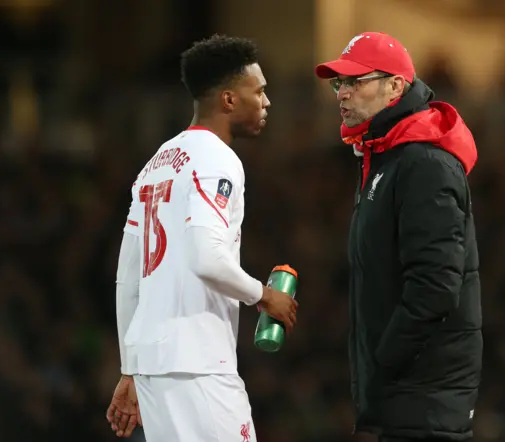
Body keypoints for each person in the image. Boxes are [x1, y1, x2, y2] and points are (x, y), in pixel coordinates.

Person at [105, 34, 298, 442]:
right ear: (229, 99)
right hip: (199, 364)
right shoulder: (217, 159)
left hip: (155, 369)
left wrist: (130, 366)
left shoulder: (156, 163)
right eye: (259, 91)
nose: (267, 102)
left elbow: (127, 277)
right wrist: (263, 294)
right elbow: (206, 257)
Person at [314, 32, 482, 442]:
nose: (342, 93)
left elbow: (435, 286)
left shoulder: (423, 163)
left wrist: (383, 362)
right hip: (406, 395)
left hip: (423, 395)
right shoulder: (387, 155)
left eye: (355, 81)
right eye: (339, 83)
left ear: (395, 86)